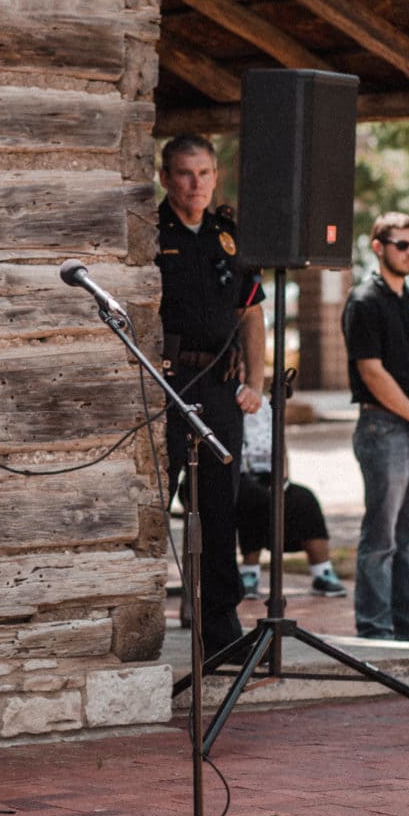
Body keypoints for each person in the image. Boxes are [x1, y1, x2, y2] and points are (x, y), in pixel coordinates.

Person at [156, 134, 266, 656]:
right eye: (183, 173)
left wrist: (257, 383)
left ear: (216, 177)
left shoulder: (228, 234)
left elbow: (251, 313)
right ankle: (141, 619)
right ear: (165, 178)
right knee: (154, 506)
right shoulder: (150, 233)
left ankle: (221, 632)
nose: (195, 184)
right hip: (167, 387)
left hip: (222, 388)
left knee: (220, 506)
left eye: (203, 173)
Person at [340, 212, 409, 643]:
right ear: (378, 246)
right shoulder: (364, 301)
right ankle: (376, 628)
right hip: (384, 428)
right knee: (380, 538)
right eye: (402, 245)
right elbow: (372, 372)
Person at [235, 395, 346, 599]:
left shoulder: (266, 406)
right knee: (254, 498)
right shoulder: (224, 401)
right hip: (236, 475)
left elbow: (281, 445)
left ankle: (322, 573)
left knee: (304, 499)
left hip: (269, 474)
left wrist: (282, 478)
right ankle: (249, 572)